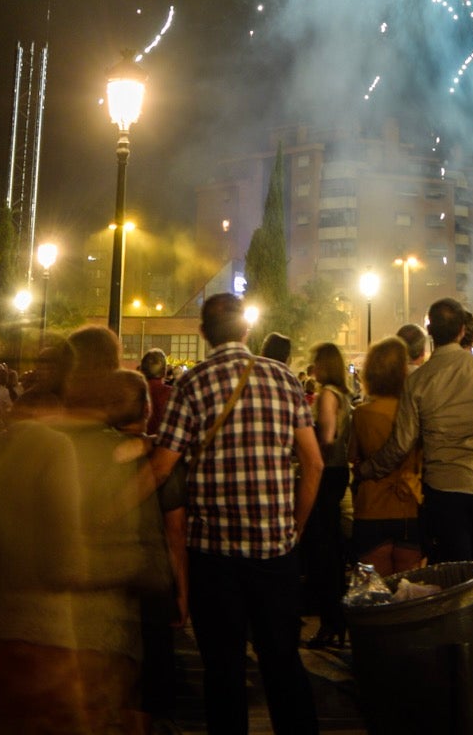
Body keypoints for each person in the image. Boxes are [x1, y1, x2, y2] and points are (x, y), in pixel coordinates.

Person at [150, 291, 321, 735]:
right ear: (247, 329)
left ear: (204, 335)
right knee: (283, 662)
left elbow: (163, 467)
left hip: (214, 554)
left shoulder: (191, 384)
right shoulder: (284, 379)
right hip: (274, 551)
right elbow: (314, 464)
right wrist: (295, 527)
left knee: (223, 671)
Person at [356, 298, 473, 602]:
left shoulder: (418, 381)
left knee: (455, 581)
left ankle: (459, 644)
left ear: (431, 330)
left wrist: (368, 470)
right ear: (462, 330)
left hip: (443, 489)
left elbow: (401, 443)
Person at [349, 336, 423, 573]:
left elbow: (353, 457)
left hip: (371, 507)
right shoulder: (412, 413)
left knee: (378, 592)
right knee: (409, 590)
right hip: (409, 504)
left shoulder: (362, 415)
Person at [301, 341, 351, 649]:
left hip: (327, 472)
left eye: (316, 362)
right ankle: (335, 620)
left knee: (322, 550)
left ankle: (331, 621)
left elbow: (328, 436)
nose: (313, 368)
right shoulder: (343, 394)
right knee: (330, 547)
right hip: (338, 471)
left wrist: (309, 450)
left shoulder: (328, 396)